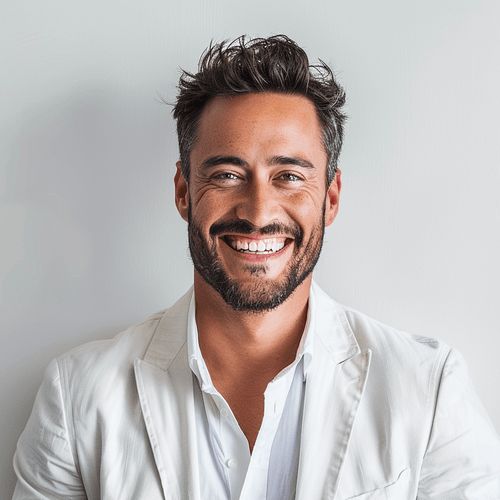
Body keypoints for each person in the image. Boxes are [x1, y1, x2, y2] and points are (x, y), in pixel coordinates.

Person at [12, 35, 500, 500]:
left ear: (330, 198)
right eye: (227, 174)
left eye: (289, 176)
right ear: (183, 191)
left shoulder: (428, 390)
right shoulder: (77, 397)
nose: (258, 212)